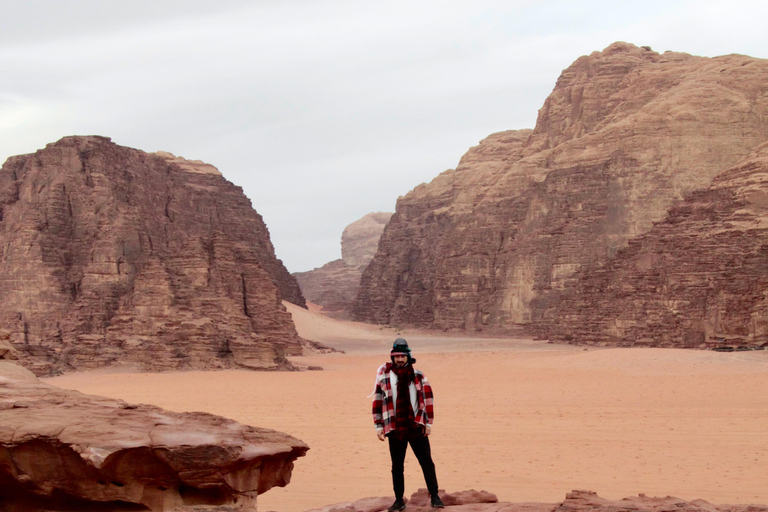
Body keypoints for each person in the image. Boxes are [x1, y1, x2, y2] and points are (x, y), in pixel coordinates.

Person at [372, 338, 444, 510]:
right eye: (396, 357)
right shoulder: (384, 376)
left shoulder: (418, 376)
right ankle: (398, 500)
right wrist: (379, 426)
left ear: (408, 357)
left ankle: (435, 496)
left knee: (426, 462)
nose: (399, 360)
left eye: (402, 356)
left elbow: (428, 400)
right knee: (397, 466)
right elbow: (378, 400)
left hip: (416, 425)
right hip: (395, 427)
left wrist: (428, 424)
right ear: (392, 358)